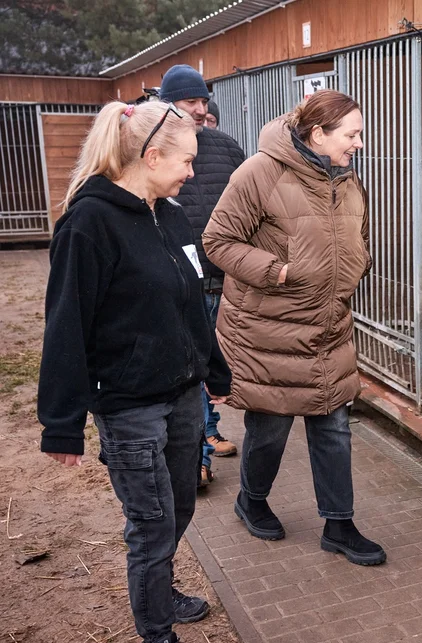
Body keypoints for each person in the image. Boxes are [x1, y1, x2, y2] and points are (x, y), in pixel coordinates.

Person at [37, 100, 232, 643]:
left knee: (178, 509)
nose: (193, 174)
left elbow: (191, 301)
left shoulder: (168, 216)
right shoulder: (88, 224)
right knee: (150, 529)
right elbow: (65, 325)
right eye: (187, 161)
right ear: (151, 157)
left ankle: (163, 590)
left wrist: (212, 368)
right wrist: (62, 424)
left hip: (179, 397)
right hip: (127, 406)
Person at [202, 90, 385, 566]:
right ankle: (251, 499)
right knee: (271, 428)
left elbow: (353, 235)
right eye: (352, 134)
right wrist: (278, 271)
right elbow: (218, 240)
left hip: (326, 325)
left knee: (333, 424)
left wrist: (354, 265)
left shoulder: (344, 177)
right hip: (271, 331)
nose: (359, 144)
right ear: (317, 133)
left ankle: (339, 525)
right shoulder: (260, 172)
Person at [157, 64, 246, 488]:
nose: (199, 108)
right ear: (167, 103)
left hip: (226, 280)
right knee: (191, 369)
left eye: (203, 101)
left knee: (216, 369)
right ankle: (198, 458)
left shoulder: (226, 148)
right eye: (190, 101)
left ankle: (207, 436)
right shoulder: (153, 152)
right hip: (181, 286)